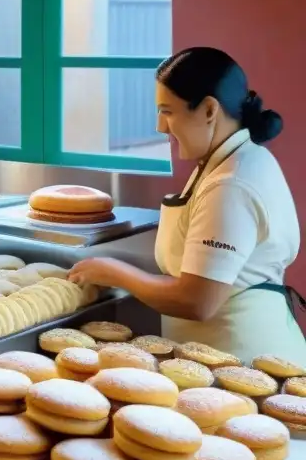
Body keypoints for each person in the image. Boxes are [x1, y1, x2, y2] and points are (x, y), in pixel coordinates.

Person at [69, 47, 306, 364]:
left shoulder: (230, 183)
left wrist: (116, 273)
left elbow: (197, 301)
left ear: (209, 110)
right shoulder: (233, 159)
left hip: (243, 361)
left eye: (167, 111)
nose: (160, 127)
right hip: (228, 355)